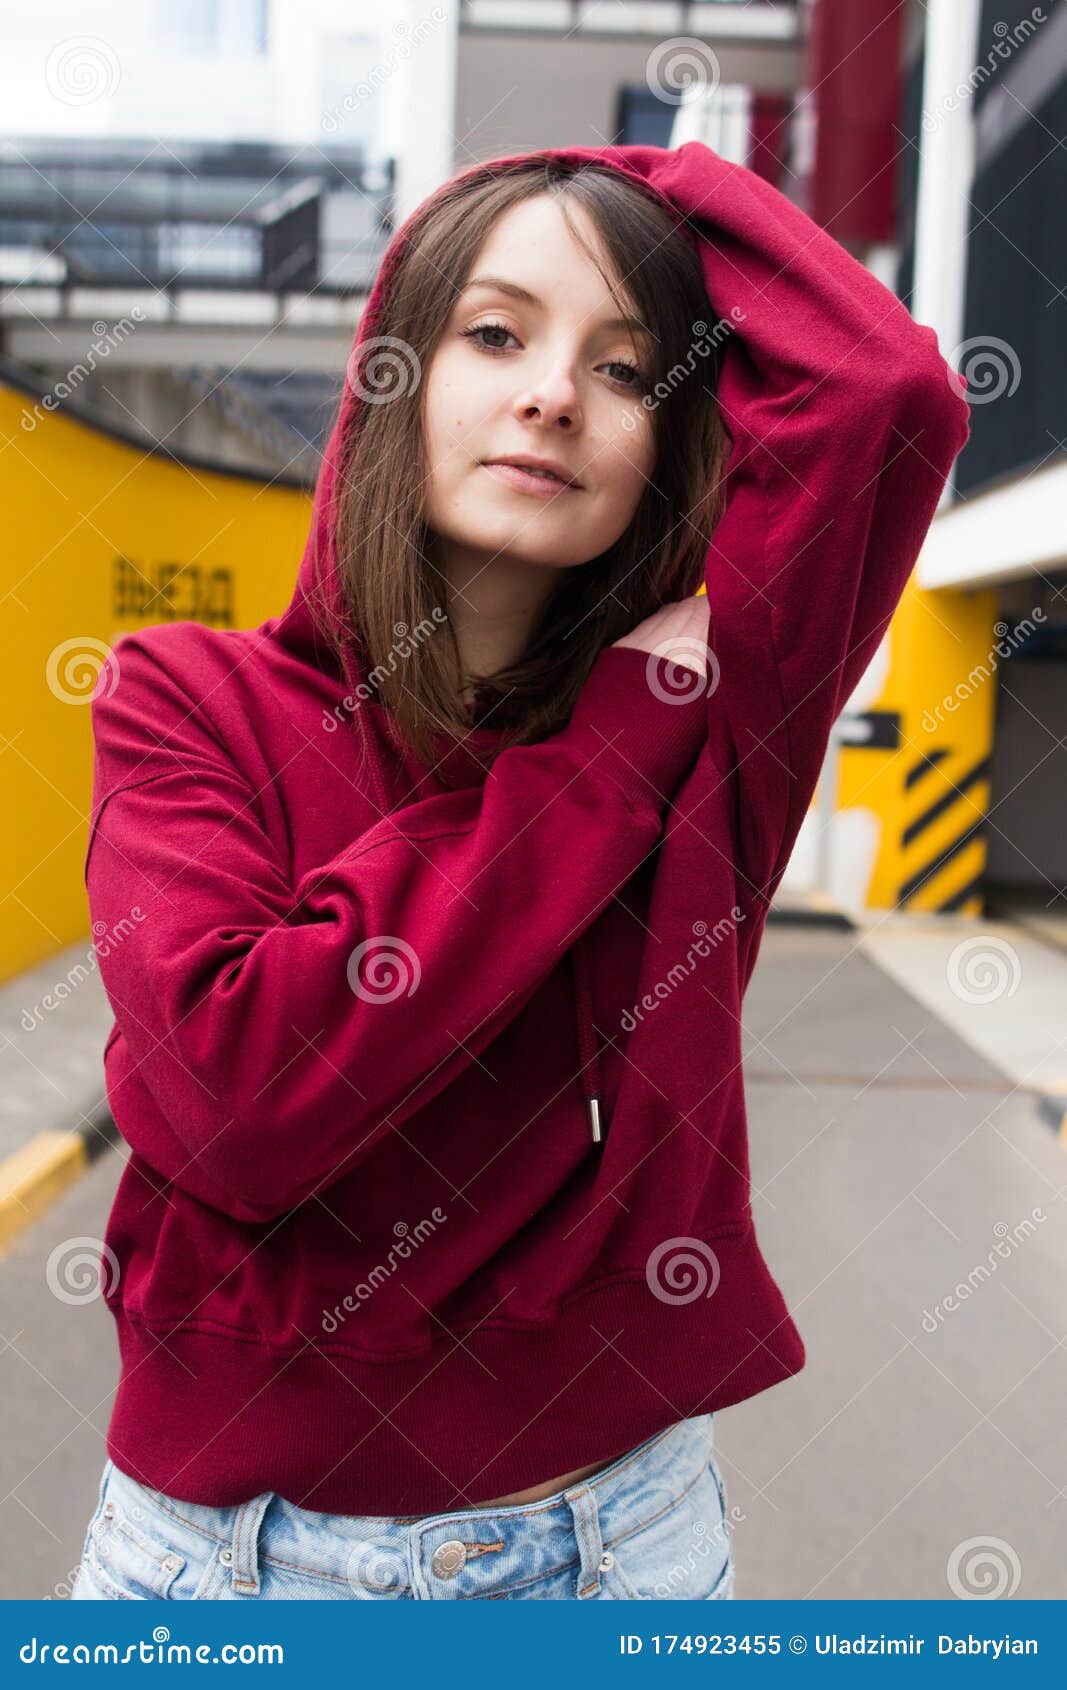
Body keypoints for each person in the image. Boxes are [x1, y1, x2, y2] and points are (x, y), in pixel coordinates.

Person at [70, 141, 970, 1601]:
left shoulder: (719, 713)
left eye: (626, 369)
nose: (553, 391)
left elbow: (888, 391)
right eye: (494, 333)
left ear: (668, 438)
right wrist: (597, 764)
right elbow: (244, 1097)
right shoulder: (187, 700)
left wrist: (635, 174)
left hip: (609, 1556)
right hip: (223, 1569)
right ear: (390, 373)